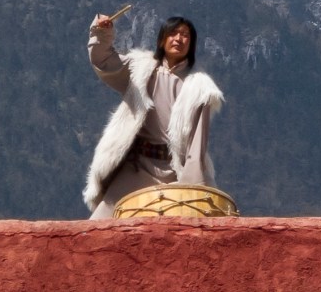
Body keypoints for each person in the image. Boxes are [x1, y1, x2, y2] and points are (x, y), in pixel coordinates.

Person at [84, 12, 223, 218]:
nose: (178, 39)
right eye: (173, 33)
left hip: (175, 170)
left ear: (191, 44)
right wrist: (101, 32)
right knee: (100, 224)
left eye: (185, 35)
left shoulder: (200, 88)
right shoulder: (139, 68)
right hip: (138, 166)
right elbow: (104, 61)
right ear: (162, 39)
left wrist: (192, 186)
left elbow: (196, 146)